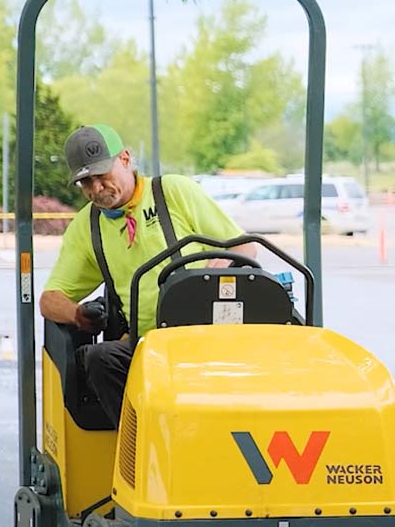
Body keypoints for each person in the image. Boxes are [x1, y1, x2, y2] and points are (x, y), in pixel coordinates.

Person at [40, 124, 255, 422]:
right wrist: (78, 314)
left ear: (125, 159)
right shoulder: (87, 227)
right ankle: (142, 450)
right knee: (100, 359)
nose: (97, 189)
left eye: (102, 176)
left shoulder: (173, 193)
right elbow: (49, 300)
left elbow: (244, 248)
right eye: (86, 182)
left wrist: (213, 272)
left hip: (206, 338)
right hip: (145, 347)